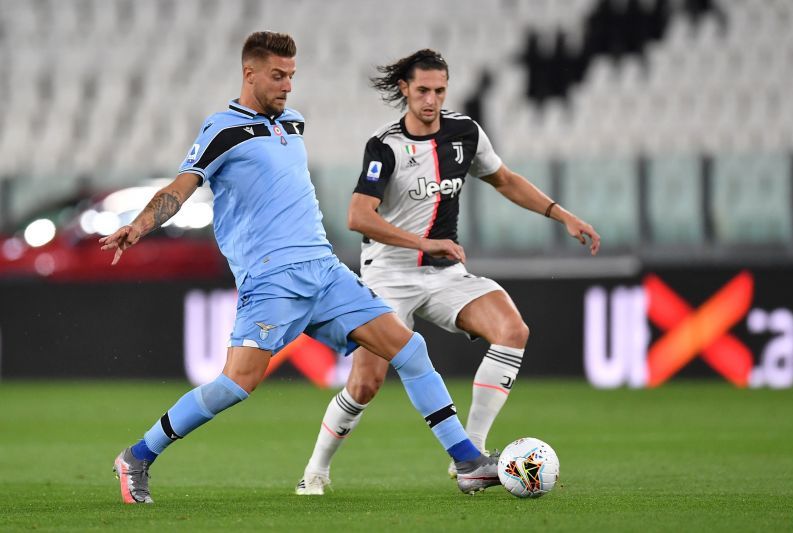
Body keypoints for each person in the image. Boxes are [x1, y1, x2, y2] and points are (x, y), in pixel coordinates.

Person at [102, 33, 500, 504]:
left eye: (292, 75)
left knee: (409, 349)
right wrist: (141, 225)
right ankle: (138, 456)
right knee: (236, 384)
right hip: (271, 278)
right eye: (277, 75)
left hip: (324, 270)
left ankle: (467, 462)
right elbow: (182, 186)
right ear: (249, 73)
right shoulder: (222, 129)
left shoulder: (293, 122)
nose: (287, 85)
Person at [295, 49, 600, 495]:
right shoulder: (386, 145)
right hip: (387, 277)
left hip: (443, 276)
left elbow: (506, 180)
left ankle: (470, 457)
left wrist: (561, 214)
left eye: (439, 90)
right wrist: (424, 241)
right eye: (423, 90)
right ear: (405, 89)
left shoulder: (465, 134)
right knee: (365, 383)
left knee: (512, 330)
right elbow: (358, 216)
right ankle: (315, 470)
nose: (431, 100)